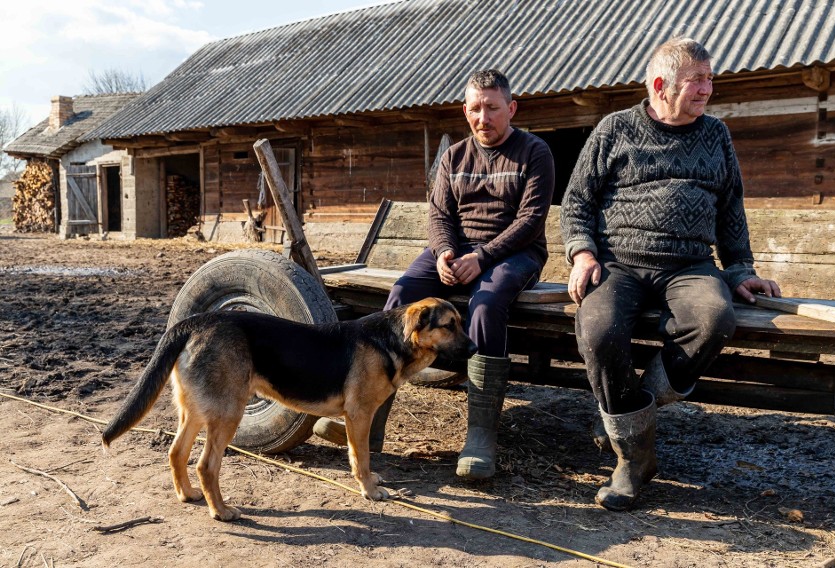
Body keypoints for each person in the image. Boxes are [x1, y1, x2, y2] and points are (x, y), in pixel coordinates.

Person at [560, 37, 781, 511]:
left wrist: (741, 268)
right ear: (661, 85)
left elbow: (730, 208)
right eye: (696, 80)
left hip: (690, 265)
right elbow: (576, 202)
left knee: (715, 319)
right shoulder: (614, 129)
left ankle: (635, 406)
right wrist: (582, 254)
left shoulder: (715, 134)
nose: (707, 88)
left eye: (709, 78)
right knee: (599, 332)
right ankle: (634, 459)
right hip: (618, 263)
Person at [314, 68, 555, 479]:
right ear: (465, 111)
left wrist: (482, 257)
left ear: (511, 108)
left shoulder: (534, 152)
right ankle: (369, 422)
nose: (484, 118)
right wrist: (444, 252)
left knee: (487, 304)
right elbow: (439, 214)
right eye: (476, 109)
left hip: (514, 253)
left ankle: (480, 435)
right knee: (400, 296)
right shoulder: (454, 156)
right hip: (456, 251)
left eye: (493, 108)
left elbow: (531, 220)